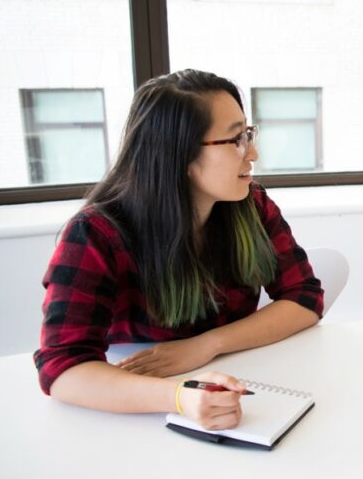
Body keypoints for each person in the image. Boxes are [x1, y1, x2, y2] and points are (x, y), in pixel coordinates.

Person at [34, 69, 324, 430]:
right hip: (132, 410)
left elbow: (305, 297)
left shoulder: (252, 203)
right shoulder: (96, 234)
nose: (253, 153)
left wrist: (207, 345)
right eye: (235, 139)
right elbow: (64, 368)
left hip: (242, 386)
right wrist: (178, 396)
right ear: (180, 155)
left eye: (248, 134)